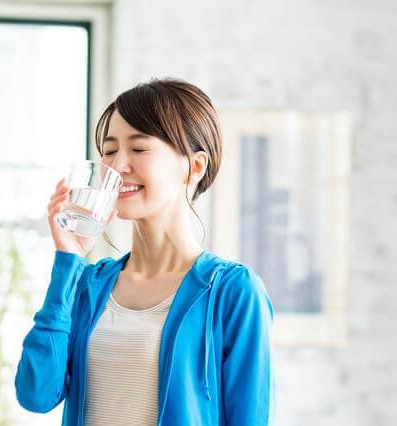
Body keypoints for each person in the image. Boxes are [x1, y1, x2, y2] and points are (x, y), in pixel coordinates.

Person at [14, 78, 275, 426]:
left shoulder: (232, 291)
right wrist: (69, 260)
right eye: (109, 150)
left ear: (194, 166)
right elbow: (35, 394)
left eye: (138, 149)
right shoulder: (89, 285)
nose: (118, 166)